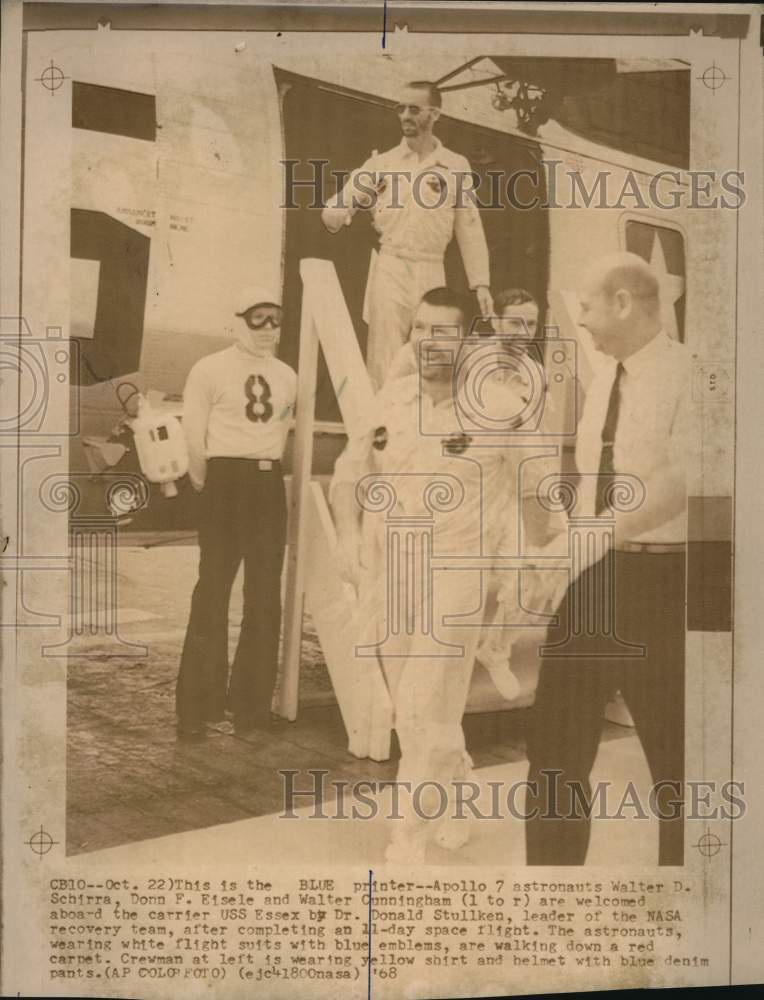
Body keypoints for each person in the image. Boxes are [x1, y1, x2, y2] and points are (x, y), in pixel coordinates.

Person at [330, 287, 528, 862]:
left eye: (443, 331)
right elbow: (348, 474)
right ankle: (457, 786)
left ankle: (407, 835)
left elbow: (532, 490)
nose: (428, 342)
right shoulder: (389, 401)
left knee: (420, 703)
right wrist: (347, 537)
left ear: (468, 340)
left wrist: (518, 571)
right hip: (393, 573)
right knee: (420, 710)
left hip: (458, 571)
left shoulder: (498, 404)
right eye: (419, 329)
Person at [522, 252, 689, 865]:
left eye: (588, 306)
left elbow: (684, 480)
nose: (583, 318)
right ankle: (552, 895)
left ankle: (688, 898)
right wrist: (561, 559)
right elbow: (593, 483)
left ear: (623, 303)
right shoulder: (604, 383)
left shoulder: (696, 376)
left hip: (667, 581)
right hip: (595, 581)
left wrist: (591, 538)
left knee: (679, 760)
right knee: (555, 750)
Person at [175, 287, 297, 739]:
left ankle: (251, 709)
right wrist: (204, 483)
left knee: (264, 597)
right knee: (212, 591)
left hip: (267, 482)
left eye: (275, 318)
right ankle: (196, 709)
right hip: (224, 482)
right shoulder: (209, 368)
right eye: (257, 318)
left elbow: (282, 431)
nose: (267, 328)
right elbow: (193, 433)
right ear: (239, 320)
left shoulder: (288, 375)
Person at [321, 80, 492, 389]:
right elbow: (337, 207)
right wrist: (338, 213)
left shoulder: (455, 165)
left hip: (432, 268)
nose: (405, 115)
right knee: (384, 355)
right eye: (400, 108)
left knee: (430, 351)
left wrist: (480, 283)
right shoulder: (382, 163)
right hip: (391, 265)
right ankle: (383, 417)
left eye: (414, 109)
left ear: (435, 114)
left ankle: (422, 416)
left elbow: (469, 225)